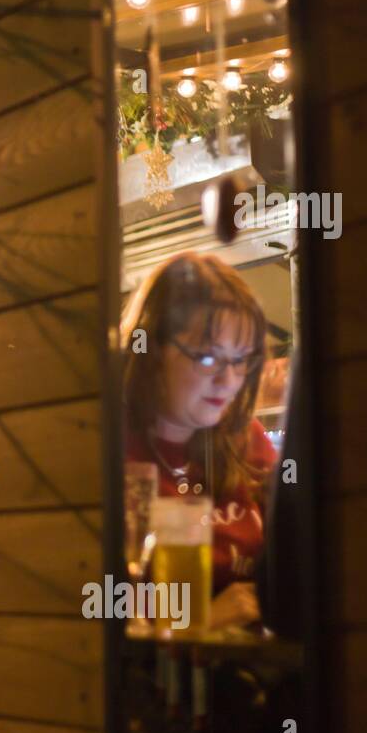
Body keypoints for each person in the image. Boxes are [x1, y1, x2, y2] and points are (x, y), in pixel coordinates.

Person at [120, 252, 277, 631]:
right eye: (208, 358)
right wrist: (200, 623)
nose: (229, 380)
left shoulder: (245, 439)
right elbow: (99, 616)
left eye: (241, 360)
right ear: (153, 349)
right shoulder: (110, 452)